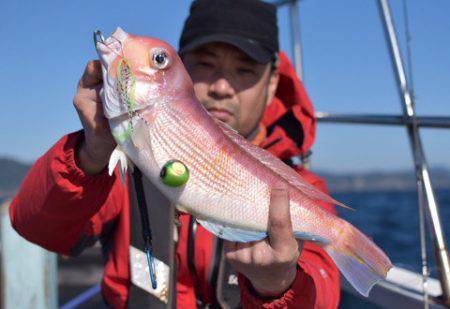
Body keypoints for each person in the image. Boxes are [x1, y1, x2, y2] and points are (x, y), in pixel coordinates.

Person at [10, 0, 340, 307]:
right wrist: (90, 153)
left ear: (271, 86)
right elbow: (34, 225)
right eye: (206, 64)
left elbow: (324, 292)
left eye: (245, 71)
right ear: (182, 67)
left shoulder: (301, 187)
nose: (221, 87)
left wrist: (278, 284)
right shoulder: (125, 161)